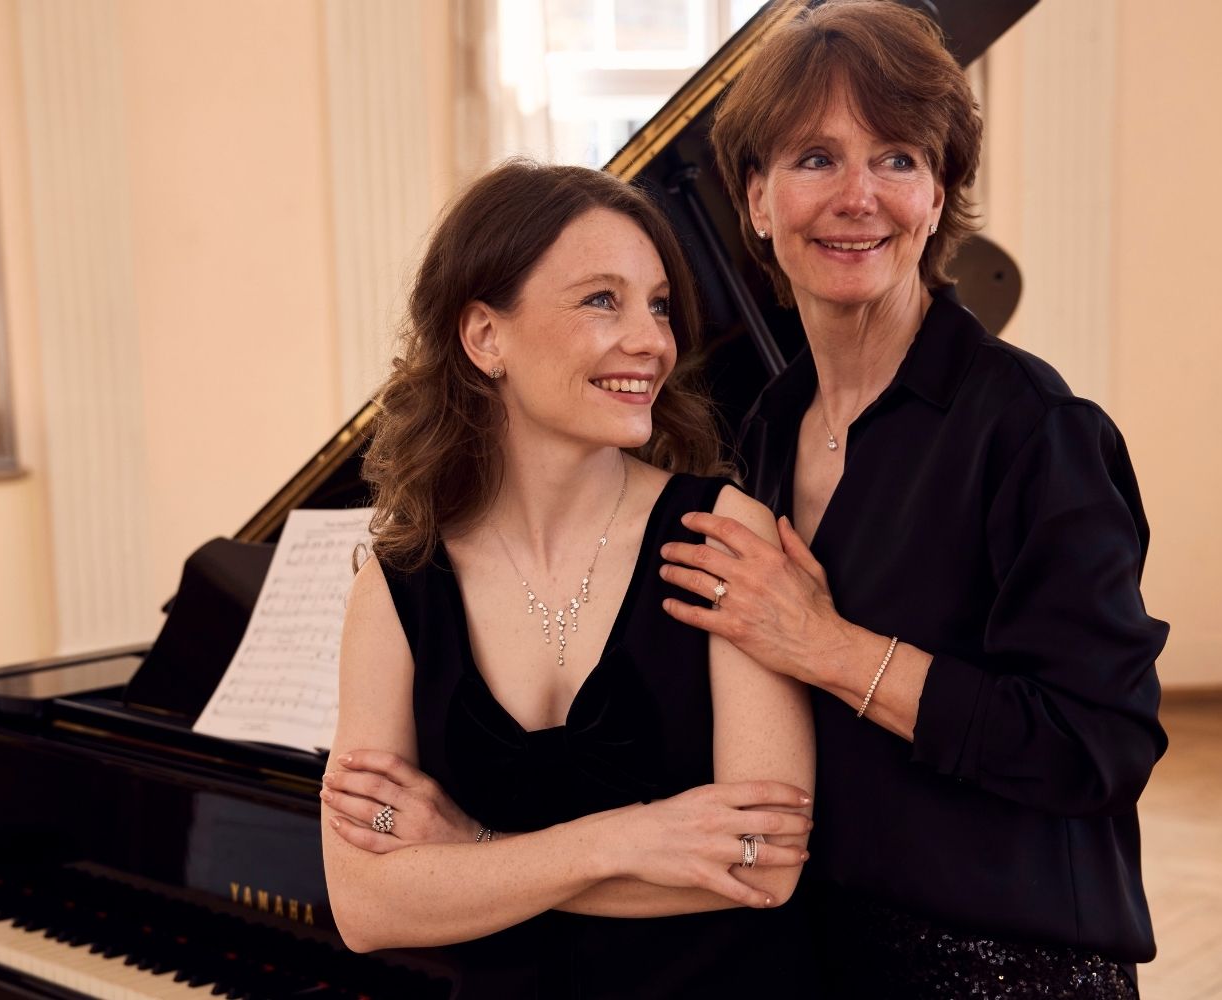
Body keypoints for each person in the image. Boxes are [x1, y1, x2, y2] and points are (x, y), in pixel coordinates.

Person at [656, 1, 1171, 995]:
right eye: (815, 158)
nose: (859, 196)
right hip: (824, 947)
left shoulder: (1036, 432)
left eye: (897, 158)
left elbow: (1099, 747)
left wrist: (828, 645)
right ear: (756, 198)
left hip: (1006, 964)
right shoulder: (768, 425)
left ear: (938, 197)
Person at [318, 160, 815, 999]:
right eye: (601, 301)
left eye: (659, 305)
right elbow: (366, 905)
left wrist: (474, 853)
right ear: (486, 337)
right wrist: (627, 842)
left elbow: (762, 863)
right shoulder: (399, 586)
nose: (653, 341)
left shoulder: (721, 535)